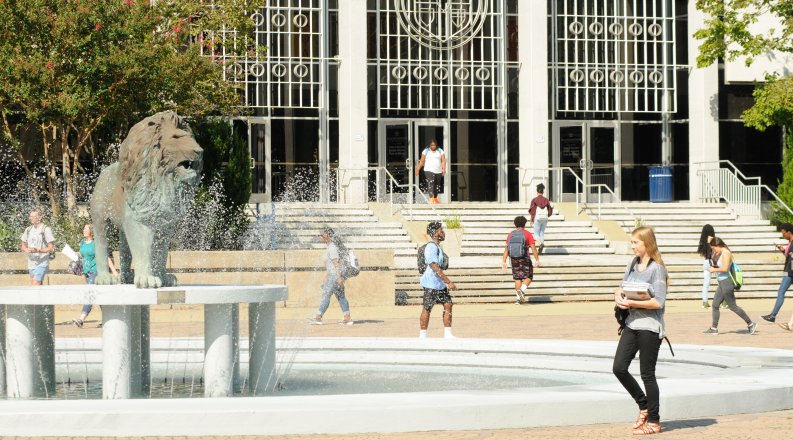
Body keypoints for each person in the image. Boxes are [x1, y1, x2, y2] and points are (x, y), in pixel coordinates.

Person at [612, 226, 668, 435]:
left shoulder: (657, 269)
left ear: (647, 243)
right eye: (632, 242)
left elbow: (659, 302)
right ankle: (643, 405)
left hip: (650, 327)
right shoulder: (632, 264)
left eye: (636, 242)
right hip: (632, 324)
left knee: (647, 374)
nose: (632, 245)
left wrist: (635, 303)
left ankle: (654, 421)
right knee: (619, 367)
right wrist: (618, 296)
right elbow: (621, 286)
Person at [703, 237, 757, 335]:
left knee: (733, 306)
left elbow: (725, 269)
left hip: (727, 282)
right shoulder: (720, 252)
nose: (713, 250)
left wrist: (713, 270)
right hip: (722, 282)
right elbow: (715, 262)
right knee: (715, 305)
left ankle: (750, 323)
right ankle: (714, 328)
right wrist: (714, 255)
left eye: (714, 248)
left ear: (718, 245)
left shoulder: (726, 253)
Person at [73, 224, 119, 328]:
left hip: (95, 272)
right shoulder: (83, 243)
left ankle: (81, 319)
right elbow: (82, 255)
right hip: (87, 273)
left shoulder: (96, 244)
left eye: (86, 228)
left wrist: (114, 271)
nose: (83, 230)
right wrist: (75, 255)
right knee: (98, 297)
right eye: (83, 228)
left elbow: (105, 257)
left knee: (90, 294)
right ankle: (109, 319)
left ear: (91, 231)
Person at [307, 228, 353, 326]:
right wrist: (326, 277)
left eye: (323, 235)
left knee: (326, 296)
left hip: (334, 276)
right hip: (334, 276)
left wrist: (339, 277)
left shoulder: (332, 248)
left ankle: (318, 317)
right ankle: (347, 318)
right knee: (341, 297)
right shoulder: (331, 247)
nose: (321, 236)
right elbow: (330, 266)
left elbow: (336, 264)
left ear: (328, 236)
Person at [419, 221, 457, 338]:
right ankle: (423, 335)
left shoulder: (437, 246)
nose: (443, 232)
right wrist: (448, 281)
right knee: (427, 308)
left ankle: (448, 334)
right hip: (431, 284)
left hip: (438, 284)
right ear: (435, 233)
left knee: (448, 304)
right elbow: (434, 266)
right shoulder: (431, 247)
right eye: (441, 230)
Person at [501, 215, 540, 304]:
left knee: (517, 278)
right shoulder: (527, 233)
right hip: (524, 258)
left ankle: (518, 299)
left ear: (515, 224)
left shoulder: (511, 234)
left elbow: (506, 249)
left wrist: (504, 261)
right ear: (524, 224)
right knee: (529, 276)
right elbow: (533, 248)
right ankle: (521, 291)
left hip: (514, 258)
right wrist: (537, 259)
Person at [762, 223, 793, 323]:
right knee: (781, 292)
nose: (782, 235)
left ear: (789, 232)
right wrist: (784, 251)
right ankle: (773, 316)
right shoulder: (790, 242)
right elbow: (789, 257)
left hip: (790, 272)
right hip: (788, 270)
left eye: (783, 233)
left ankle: (773, 316)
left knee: (781, 292)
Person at [19, 208, 55, 286]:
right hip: (31, 262)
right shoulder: (28, 230)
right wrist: (26, 249)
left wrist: (38, 250)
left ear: (39, 217)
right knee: (38, 284)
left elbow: (51, 247)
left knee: (35, 283)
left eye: (33, 216)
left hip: (42, 262)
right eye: (30, 216)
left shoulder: (45, 229)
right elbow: (22, 245)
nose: (30, 218)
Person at [414, 139, 446, 204]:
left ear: (436, 145)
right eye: (432, 145)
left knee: (437, 185)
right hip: (428, 170)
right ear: (430, 145)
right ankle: (431, 198)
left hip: (438, 170)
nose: (433, 146)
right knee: (431, 183)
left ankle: (435, 198)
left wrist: (444, 169)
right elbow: (422, 161)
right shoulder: (426, 151)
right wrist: (417, 169)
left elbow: (443, 161)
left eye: (434, 145)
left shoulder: (440, 151)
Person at [528, 183, 553, 252]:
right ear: (543, 192)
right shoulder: (546, 200)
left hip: (537, 218)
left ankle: (540, 244)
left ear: (537, 191)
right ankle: (541, 247)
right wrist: (547, 216)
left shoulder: (534, 200)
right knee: (541, 233)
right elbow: (550, 211)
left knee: (536, 234)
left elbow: (532, 212)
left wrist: (531, 220)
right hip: (545, 218)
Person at [697, 224, 717, 309]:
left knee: (706, 284)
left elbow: (703, 253)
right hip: (713, 262)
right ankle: (724, 302)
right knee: (721, 282)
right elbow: (713, 252)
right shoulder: (712, 240)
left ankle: (705, 302)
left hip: (705, 262)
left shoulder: (703, 241)